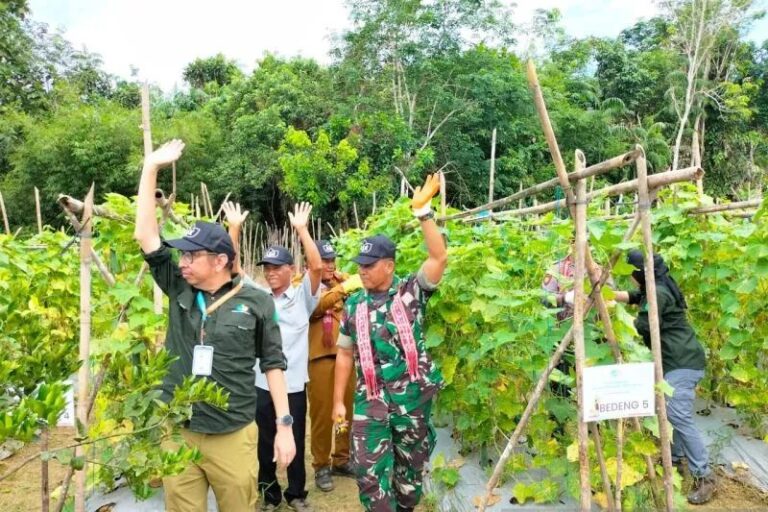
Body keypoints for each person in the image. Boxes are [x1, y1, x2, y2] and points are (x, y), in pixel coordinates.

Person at [134, 140, 296, 512]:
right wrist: (150, 167)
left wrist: (285, 426)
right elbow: (146, 236)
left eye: (192, 255)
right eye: (183, 254)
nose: (184, 261)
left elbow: (272, 364)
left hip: (233, 434)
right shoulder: (178, 285)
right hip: (179, 430)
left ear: (221, 259)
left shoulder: (257, 301)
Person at [332, 173, 447, 512]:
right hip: (370, 403)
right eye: (360, 266)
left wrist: (422, 211)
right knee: (368, 476)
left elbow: (438, 258)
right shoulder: (354, 305)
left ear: (389, 266)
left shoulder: (412, 292)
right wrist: (339, 401)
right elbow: (343, 352)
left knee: (408, 480)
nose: (363, 271)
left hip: (411, 401)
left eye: (369, 266)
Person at [225, 202, 322, 512]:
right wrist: (235, 228)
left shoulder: (303, 297)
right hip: (260, 383)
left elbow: (317, 267)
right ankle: (270, 494)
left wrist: (303, 231)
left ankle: (296, 493)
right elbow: (232, 268)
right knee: (263, 441)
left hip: (292, 385)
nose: (270, 273)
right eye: (266, 268)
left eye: (276, 268)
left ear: (290, 270)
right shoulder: (258, 296)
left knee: (294, 437)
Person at [614, 250, 715, 505]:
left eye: (630, 273)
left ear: (638, 273)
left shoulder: (657, 292)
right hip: (679, 359)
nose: (629, 278)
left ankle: (705, 476)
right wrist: (611, 296)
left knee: (678, 414)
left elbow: (645, 325)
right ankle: (678, 459)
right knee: (673, 412)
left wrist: (614, 322)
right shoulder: (655, 287)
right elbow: (638, 297)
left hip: (682, 362)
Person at [307, 240, 362, 492]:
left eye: (331, 260)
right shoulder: (304, 284)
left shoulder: (343, 281)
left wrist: (347, 284)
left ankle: (342, 458)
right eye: (323, 260)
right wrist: (342, 289)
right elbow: (315, 307)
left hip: (347, 356)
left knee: (346, 409)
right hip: (320, 358)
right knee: (321, 416)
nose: (328, 265)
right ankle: (321, 465)